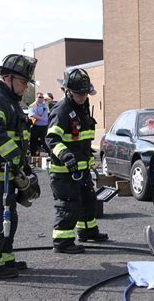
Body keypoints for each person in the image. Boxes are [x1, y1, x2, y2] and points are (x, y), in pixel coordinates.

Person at [46, 68, 108, 254]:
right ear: (68, 91)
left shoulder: (82, 109)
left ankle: (88, 231)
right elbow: (52, 139)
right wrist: (65, 155)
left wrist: (88, 157)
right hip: (63, 171)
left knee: (88, 200)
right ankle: (62, 242)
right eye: (78, 94)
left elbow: (82, 139)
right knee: (68, 205)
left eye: (84, 93)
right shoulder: (63, 110)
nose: (82, 97)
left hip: (81, 170)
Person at [0, 54, 38, 279]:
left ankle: (5, 257)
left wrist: (25, 167)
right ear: (7, 78)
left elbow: (19, 136)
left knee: (9, 216)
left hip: (4, 174)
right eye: (22, 82)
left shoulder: (10, 100)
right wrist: (17, 160)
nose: (24, 87)